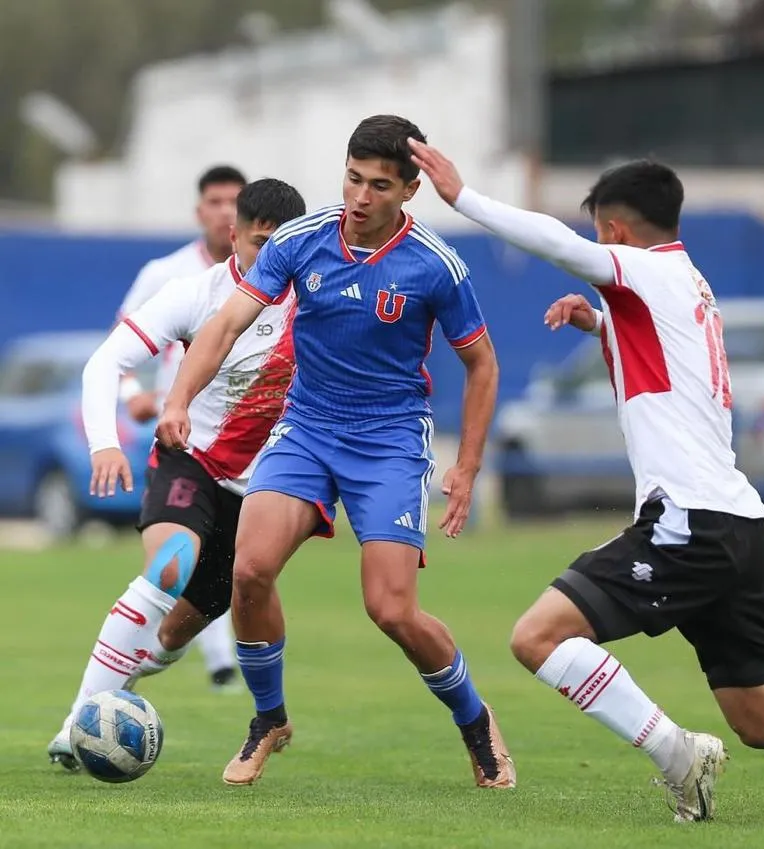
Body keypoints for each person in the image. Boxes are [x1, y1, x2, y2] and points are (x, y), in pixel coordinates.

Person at [408, 139, 764, 826]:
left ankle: (679, 755)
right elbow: (662, 366)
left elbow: (553, 244)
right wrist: (600, 322)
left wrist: (463, 199)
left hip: (687, 520)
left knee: (536, 636)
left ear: (616, 230)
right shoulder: (690, 284)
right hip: (740, 524)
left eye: (599, 230)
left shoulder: (640, 270)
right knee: (756, 711)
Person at [156, 115, 514, 789]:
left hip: (388, 440)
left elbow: (484, 365)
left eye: (380, 185)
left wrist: (466, 467)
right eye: (353, 177)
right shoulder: (300, 239)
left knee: (391, 609)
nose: (359, 196)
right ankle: (269, 720)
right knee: (250, 570)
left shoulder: (435, 265)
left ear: (409, 190)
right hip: (308, 427)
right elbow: (226, 324)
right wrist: (178, 400)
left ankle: (474, 721)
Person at [47, 179, 306, 771]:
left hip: (265, 490)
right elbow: (105, 363)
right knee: (169, 568)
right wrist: (104, 444)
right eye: (256, 243)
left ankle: (113, 702)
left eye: (280, 247)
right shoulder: (195, 293)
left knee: (173, 636)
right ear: (231, 235)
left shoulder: (317, 304)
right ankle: (76, 722)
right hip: (189, 460)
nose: (268, 259)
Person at [116, 164, 249, 692]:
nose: (225, 212)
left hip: (248, 454)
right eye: (215, 202)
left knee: (232, 574)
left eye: (235, 202)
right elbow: (120, 349)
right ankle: (216, 661)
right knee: (174, 564)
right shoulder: (165, 274)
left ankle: (255, 693)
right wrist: (135, 400)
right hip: (183, 442)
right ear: (200, 211)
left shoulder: (276, 279)